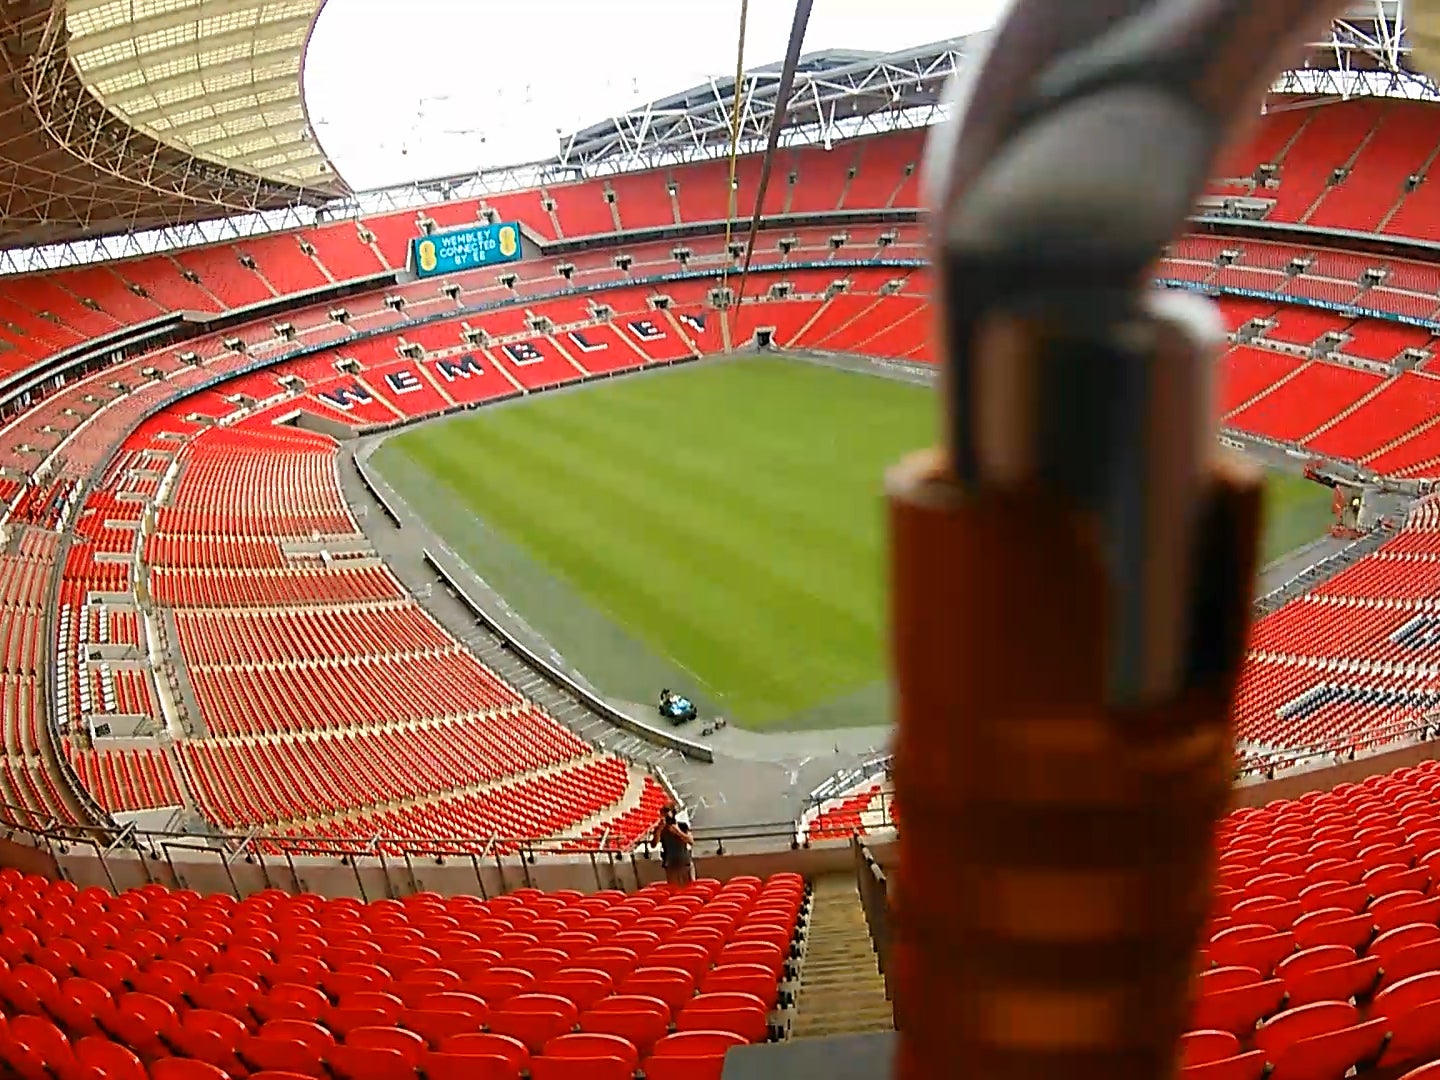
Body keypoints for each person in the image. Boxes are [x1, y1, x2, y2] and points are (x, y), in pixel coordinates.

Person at [652, 804, 693, 886]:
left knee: (689, 886)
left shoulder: (682, 826)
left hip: (684, 861)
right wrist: (659, 830)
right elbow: (653, 844)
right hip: (670, 863)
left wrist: (678, 832)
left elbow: (690, 841)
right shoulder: (659, 829)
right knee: (673, 888)